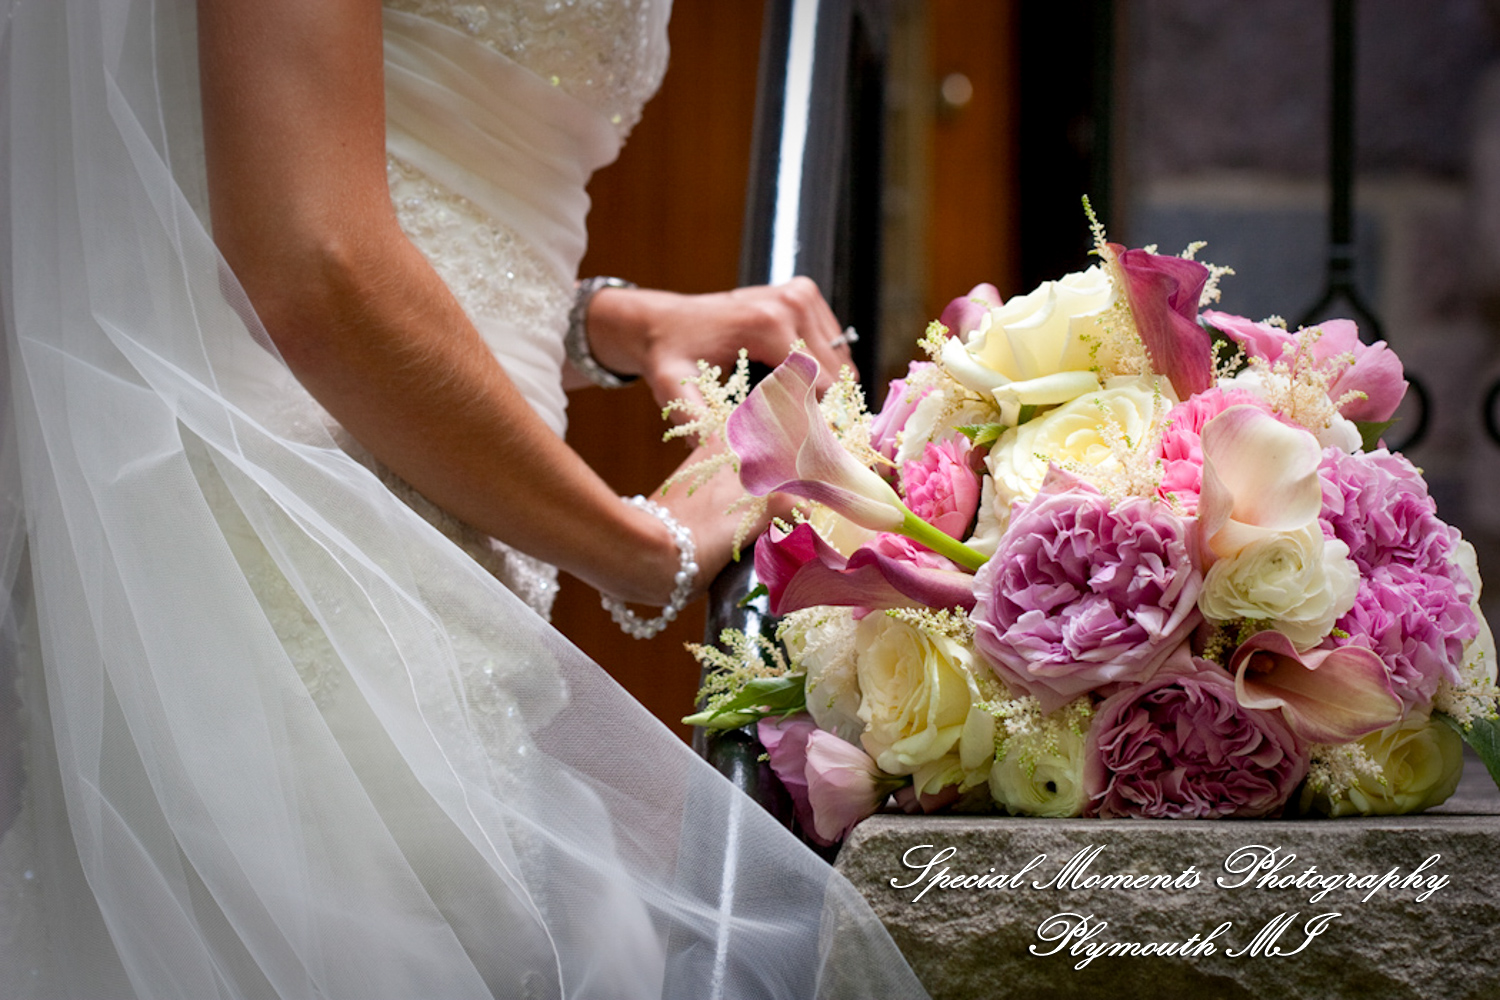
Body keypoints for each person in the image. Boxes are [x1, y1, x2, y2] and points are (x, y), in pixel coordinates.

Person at [0, 1, 929, 998]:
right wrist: (638, 544)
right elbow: (312, 260)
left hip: (418, 546)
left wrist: (595, 326)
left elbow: (390, 178)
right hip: (300, 563)